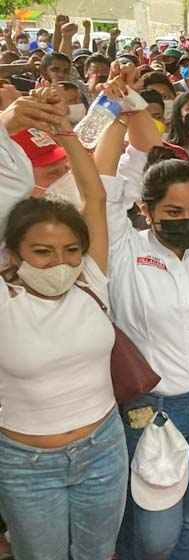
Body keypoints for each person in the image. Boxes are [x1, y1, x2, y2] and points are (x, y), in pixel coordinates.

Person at [88, 72, 189, 560]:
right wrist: (115, 105)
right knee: (153, 536)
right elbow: (102, 187)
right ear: (146, 211)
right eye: (172, 212)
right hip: (152, 413)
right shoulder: (122, 251)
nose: (186, 220)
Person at [0, 89, 125, 560]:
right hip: (25, 465)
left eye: (71, 250)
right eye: (43, 252)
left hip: (104, 450)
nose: (61, 263)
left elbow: (93, 195)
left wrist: (68, 135)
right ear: (14, 253)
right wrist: (4, 126)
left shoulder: (91, 278)